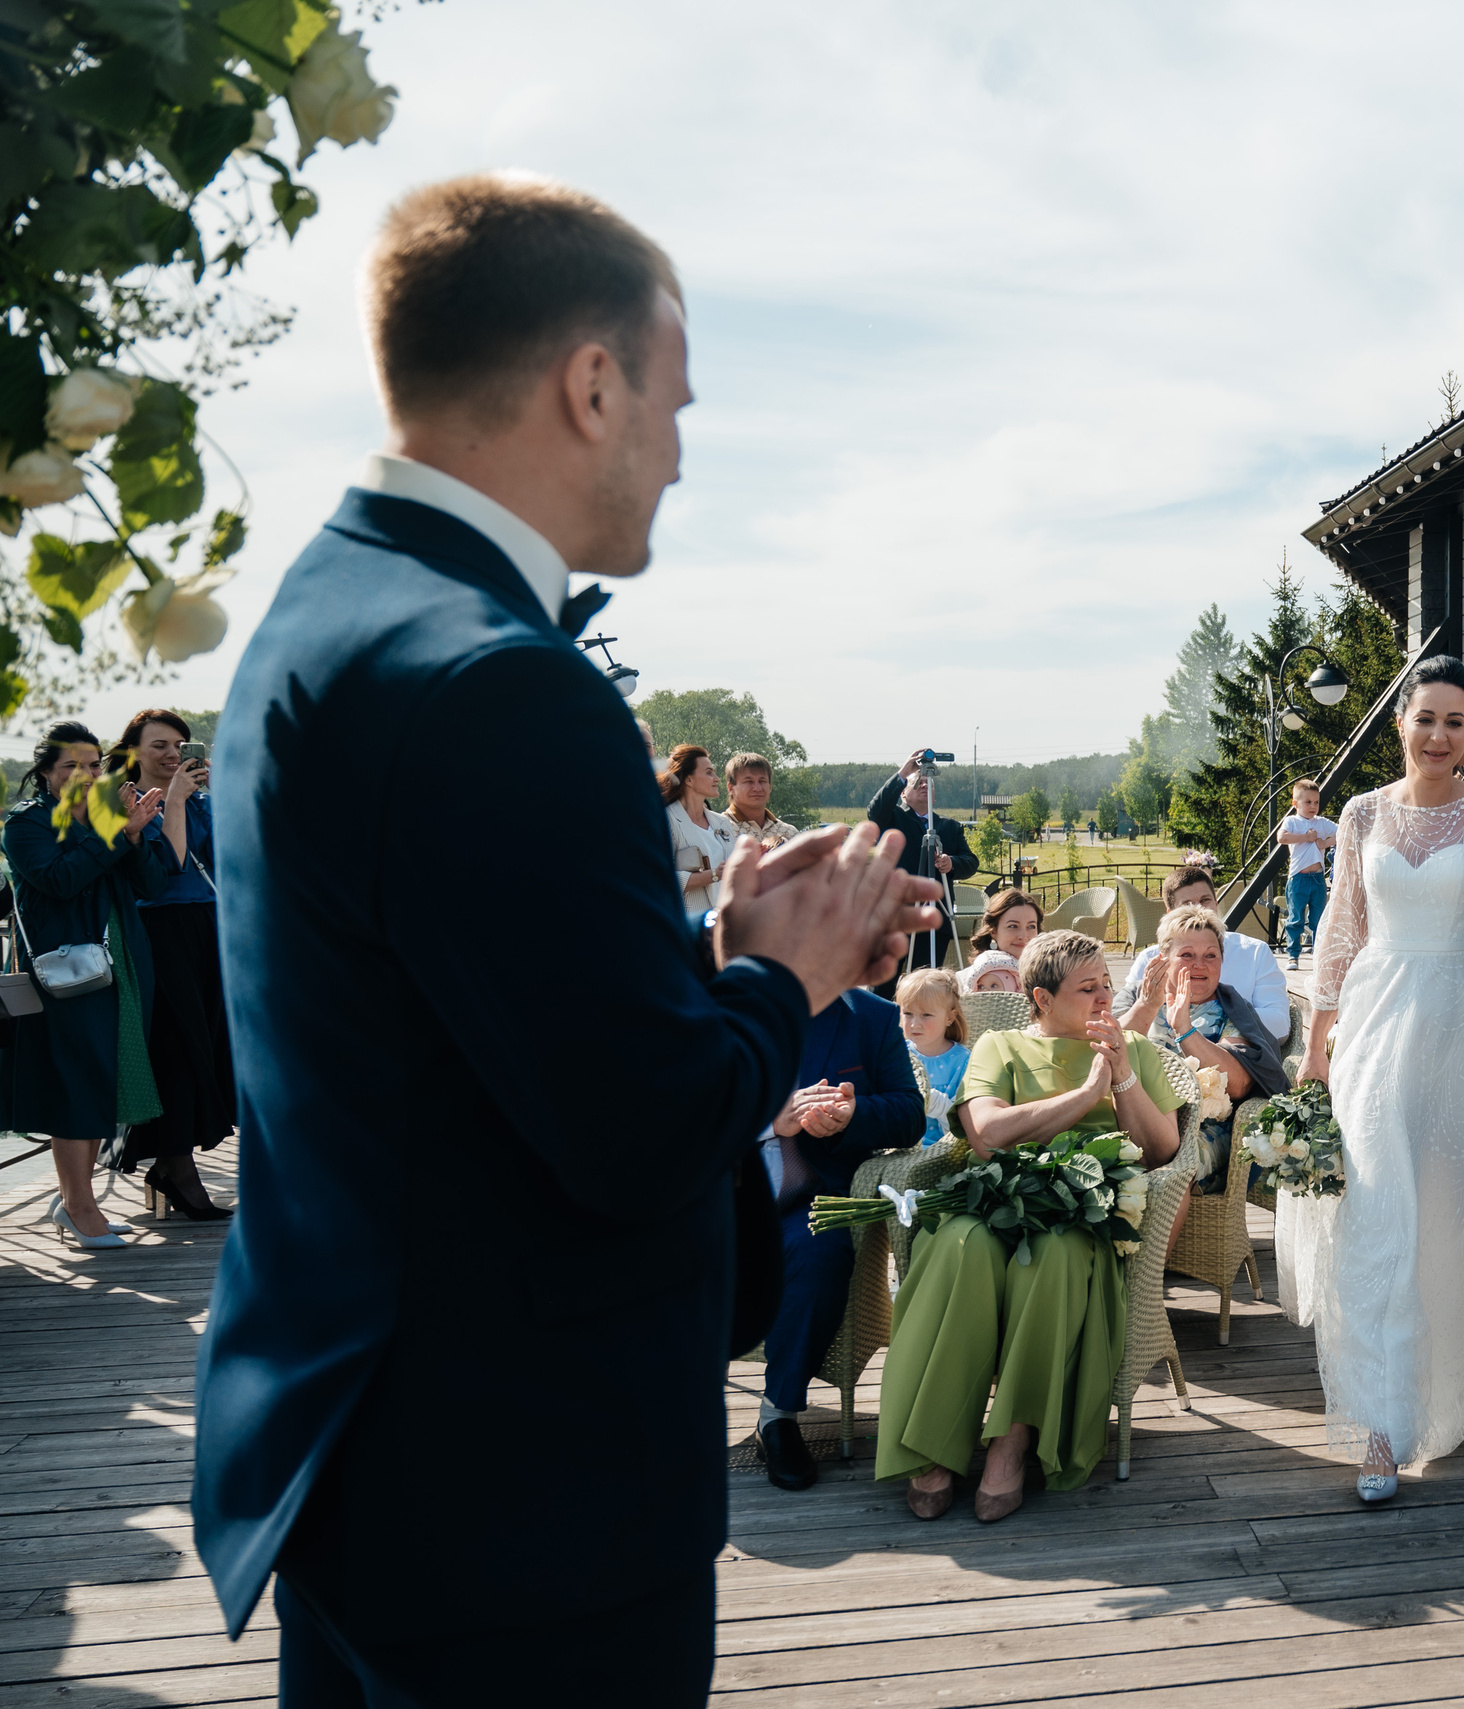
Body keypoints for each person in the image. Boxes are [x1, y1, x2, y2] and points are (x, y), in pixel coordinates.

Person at [192, 174, 939, 1704]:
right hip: (519, 1500)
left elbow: (454, 1012)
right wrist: (779, 977)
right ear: (590, 386)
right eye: (674, 402)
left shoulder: (326, 619)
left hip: (370, 1458)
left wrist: (710, 937)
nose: (677, 453)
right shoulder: (501, 685)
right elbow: (635, 1126)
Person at [1288, 655, 1464, 1506]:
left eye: (1456, 722)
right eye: (1426, 719)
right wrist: (1317, 1044)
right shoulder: (1359, 812)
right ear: (1400, 724)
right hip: (1377, 1021)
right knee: (1379, 1214)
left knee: (1452, 1218)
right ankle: (1382, 1424)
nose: (1440, 736)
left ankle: (1446, 1381)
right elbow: (1341, 930)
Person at [877, 930, 1181, 1520]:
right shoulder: (1001, 1047)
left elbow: (1163, 1150)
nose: (1103, 998)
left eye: (1105, 985)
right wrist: (1086, 1093)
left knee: (1056, 1254)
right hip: (1001, 1191)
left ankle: (1011, 1444)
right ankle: (935, 1441)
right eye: (1086, 988)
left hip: (1086, 1209)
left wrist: (1120, 1078)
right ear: (1041, 999)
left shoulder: (1134, 1047)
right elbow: (987, 1135)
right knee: (958, 1244)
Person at [755, 985, 925, 1492]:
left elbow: (909, 1114)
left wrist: (854, 1117)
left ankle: (778, 1414)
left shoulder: (871, 1016)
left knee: (821, 1250)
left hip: (811, 1194)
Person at [5, 722, 168, 1251]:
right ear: (47, 774)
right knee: (77, 1080)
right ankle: (78, 1206)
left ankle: (76, 1198)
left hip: (123, 965)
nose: (86, 774)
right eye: (71, 765)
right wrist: (115, 836)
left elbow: (153, 884)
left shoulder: (110, 815)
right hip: (66, 975)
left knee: (106, 1076)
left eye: (94, 764)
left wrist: (137, 835)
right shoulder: (25, 826)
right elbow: (58, 880)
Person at [117, 709, 236, 1220]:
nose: (172, 754)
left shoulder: (204, 800)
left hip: (209, 928)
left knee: (207, 1044)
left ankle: (172, 1165)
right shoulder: (118, 805)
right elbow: (170, 869)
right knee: (176, 1046)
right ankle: (177, 1169)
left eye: (181, 745)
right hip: (158, 931)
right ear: (134, 752)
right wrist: (177, 804)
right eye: (160, 745)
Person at [1118, 904, 1288, 1193]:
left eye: (1211, 955)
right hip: (1129, 1115)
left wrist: (1185, 1030)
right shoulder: (1137, 995)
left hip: (1204, 1129)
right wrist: (1147, 1006)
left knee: (1178, 1160)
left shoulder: (1233, 1009)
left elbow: (1237, 1084)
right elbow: (1106, 1053)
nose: (1200, 965)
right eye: (1187, 955)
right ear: (1163, 959)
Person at [1115, 865, 1289, 1038]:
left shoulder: (1254, 952)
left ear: (1216, 903)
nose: (1199, 908)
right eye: (1188, 904)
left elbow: (1280, 1025)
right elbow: (1117, 1023)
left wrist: (1212, 1017)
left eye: (1205, 900)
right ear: (1170, 913)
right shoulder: (1151, 958)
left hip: (1233, 1055)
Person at [869, 749, 982, 976]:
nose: (924, 786)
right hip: (896, 916)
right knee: (886, 981)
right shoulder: (894, 819)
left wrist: (952, 863)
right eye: (917, 783)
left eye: (928, 784)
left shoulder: (949, 827)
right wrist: (904, 771)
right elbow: (875, 810)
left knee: (924, 980)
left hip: (934, 917)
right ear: (903, 794)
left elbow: (971, 862)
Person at [896, 968, 972, 1144]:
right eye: (908, 1013)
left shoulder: (963, 1062)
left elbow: (961, 1127)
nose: (915, 1024)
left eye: (926, 1015)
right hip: (893, 1144)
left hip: (936, 1150)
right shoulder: (898, 1054)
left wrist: (933, 1101)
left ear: (949, 1017)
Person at [662, 744, 736, 924]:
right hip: (689, 928)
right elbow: (662, 878)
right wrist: (714, 874)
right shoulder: (666, 820)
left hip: (726, 925)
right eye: (709, 772)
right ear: (689, 780)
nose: (717, 779)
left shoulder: (723, 823)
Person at [1278, 779, 1338, 970]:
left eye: (1316, 802)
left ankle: (1318, 954)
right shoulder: (1292, 821)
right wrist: (1307, 838)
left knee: (1318, 919)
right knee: (1295, 918)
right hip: (1298, 878)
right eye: (1308, 802)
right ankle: (1293, 955)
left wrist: (1324, 843)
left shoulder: (1321, 823)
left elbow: (1344, 830)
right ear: (1295, 804)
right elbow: (1282, 838)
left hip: (1317, 878)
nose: (1313, 806)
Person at [963, 886, 1043, 993]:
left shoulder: (1050, 973)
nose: (1023, 936)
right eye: (1013, 926)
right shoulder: (981, 978)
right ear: (993, 931)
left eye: (1031, 926)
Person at [724, 751, 796, 849]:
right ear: (731, 788)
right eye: (749, 781)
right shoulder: (721, 829)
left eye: (762, 781)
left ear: (770, 786)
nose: (757, 788)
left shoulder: (789, 832)